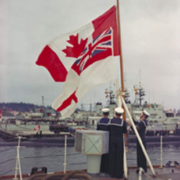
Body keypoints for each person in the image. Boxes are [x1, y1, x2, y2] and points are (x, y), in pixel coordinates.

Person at [109, 107, 128, 179]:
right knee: (119, 157)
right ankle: (118, 174)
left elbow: (109, 129)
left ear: (115, 113)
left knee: (112, 156)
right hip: (119, 140)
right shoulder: (123, 122)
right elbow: (124, 131)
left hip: (112, 140)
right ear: (121, 114)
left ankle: (112, 173)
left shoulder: (111, 121)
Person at [97, 108, 110, 174]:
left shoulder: (99, 121)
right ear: (108, 113)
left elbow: (97, 130)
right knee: (107, 156)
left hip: (100, 140)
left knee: (101, 155)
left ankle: (101, 169)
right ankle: (106, 169)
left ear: (103, 113)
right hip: (107, 141)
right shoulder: (109, 122)